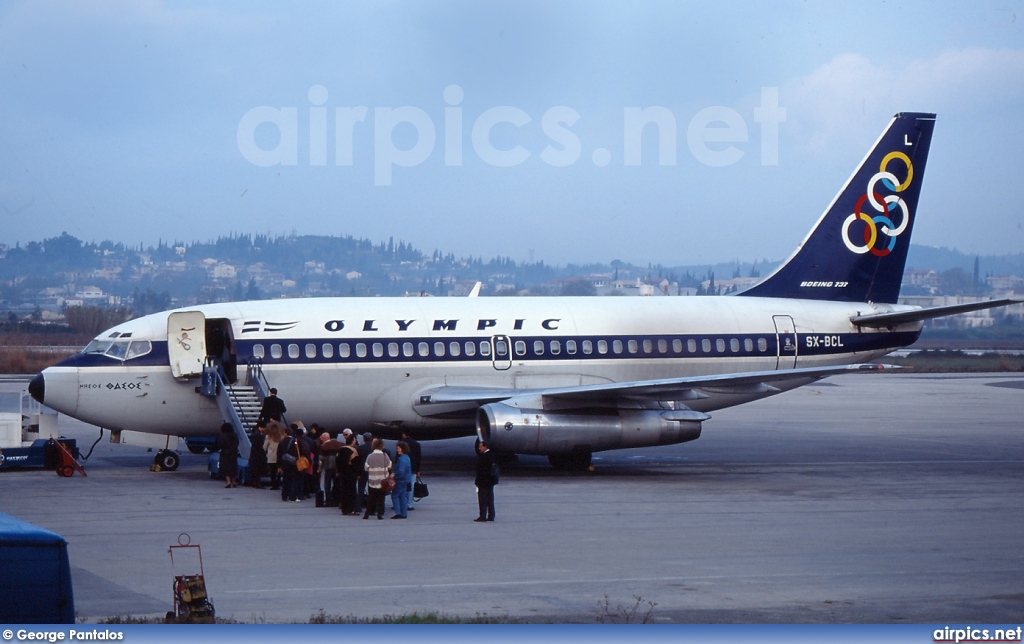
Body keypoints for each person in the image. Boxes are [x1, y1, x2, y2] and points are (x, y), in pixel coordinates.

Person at [362, 438, 391, 520]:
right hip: (382, 481)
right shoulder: (385, 456)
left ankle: (367, 514)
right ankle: (380, 514)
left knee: (370, 499)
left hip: (372, 480)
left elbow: (366, 467)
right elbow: (389, 465)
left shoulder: (370, 456)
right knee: (381, 499)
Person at [474, 440, 497, 522]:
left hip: (484, 482)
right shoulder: (492, 455)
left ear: (485, 446)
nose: (479, 448)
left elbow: (481, 471)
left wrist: (477, 481)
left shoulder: (484, 457)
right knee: (490, 499)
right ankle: (491, 515)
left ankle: (482, 516)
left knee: (483, 499)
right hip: (491, 481)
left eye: (481, 446)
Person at [337, 433, 360, 515]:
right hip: (351, 474)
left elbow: (337, 461)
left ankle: (344, 509)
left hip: (342, 473)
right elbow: (356, 464)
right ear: (352, 441)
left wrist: (338, 471)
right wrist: (358, 473)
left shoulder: (340, 450)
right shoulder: (353, 451)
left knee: (344, 491)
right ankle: (351, 509)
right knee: (351, 492)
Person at [391, 441, 413, 519]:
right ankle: (404, 513)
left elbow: (401, 471)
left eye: (398, 448)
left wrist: (394, 475)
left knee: (395, 496)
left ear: (402, 449)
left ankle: (398, 512)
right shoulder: (407, 457)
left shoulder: (401, 459)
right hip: (405, 480)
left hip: (400, 480)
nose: (397, 450)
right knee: (403, 496)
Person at [356, 432, 374, 512]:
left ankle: (358, 506)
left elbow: (357, 462)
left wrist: (358, 473)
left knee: (361, 489)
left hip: (362, 471)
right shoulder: (374, 449)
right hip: (373, 472)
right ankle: (371, 507)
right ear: (371, 439)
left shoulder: (360, 448)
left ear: (363, 439)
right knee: (372, 490)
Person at [218, 422, 239, 488]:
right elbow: (237, 443)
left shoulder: (223, 436)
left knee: (226, 468)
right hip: (233, 453)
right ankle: (233, 481)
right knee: (232, 467)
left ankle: (228, 482)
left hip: (225, 453)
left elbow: (221, 444)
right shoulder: (234, 435)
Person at [263, 420, 284, 490]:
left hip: (271, 457)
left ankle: (273, 485)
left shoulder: (269, 437)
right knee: (279, 471)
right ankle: (277, 484)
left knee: (272, 472)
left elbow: (264, 447)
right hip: (280, 457)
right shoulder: (282, 437)